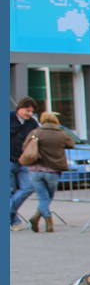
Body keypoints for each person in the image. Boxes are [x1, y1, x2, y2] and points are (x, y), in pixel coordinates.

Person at [22, 112, 74, 233]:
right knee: (48, 197)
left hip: (35, 170)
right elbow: (71, 144)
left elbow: (25, 146)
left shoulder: (36, 132)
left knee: (43, 197)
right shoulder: (61, 134)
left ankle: (37, 218)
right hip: (53, 170)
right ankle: (47, 222)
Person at [10, 96, 39, 230]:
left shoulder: (32, 123)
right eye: (27, 111)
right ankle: (14, 221)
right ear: (19, 108)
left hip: (24, 161)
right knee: (9, 191)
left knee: (28, 187)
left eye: (31, 111)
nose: (29, 114)